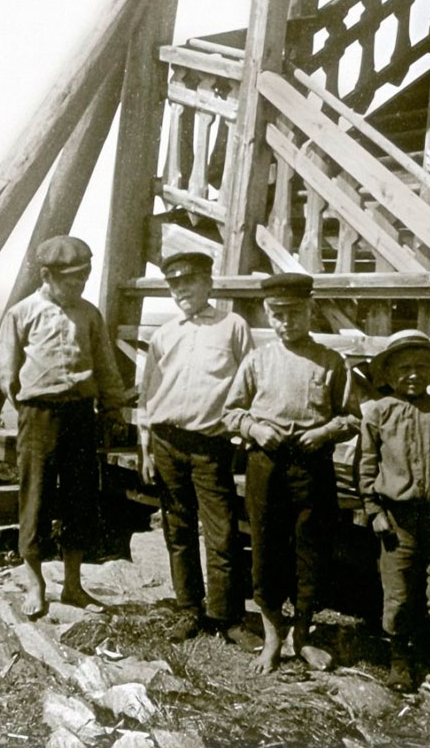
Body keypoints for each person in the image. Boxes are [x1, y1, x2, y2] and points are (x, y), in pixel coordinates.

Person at [223, 273, 361, 674]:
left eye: (295, 313)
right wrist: (255, 428)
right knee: (266, 549)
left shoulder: (332, 361)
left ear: (310, 311)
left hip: (312, 464)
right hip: (265, 464)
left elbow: (352, 416)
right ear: (268, 314)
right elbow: (231, 412)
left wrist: (325, 431)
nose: (287, 322)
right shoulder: (257, 360)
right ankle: (272, 638)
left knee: (310, 549)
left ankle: (302, 637)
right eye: (278, 315)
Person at [0, 235, 125, 618]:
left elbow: (105, 363)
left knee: (80, 498)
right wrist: (28, 404)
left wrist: (113, 405)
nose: (79, 286)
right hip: (39, 417)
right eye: (71, 279)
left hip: (82, 415)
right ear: (47, 275)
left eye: (84, 278)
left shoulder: (89, 314)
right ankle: (36, 586)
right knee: (35, 498)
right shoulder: (22, 313)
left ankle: (72, 585)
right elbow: (6, 369)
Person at [139, 251, 257, 646]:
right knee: (178, 528)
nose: (181, 290)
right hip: (167, 440)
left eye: (188, 281)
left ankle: (226, 617)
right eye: (174, 284)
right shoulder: (164, 334)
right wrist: (145, 445)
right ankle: (190, 608)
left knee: (222, 532)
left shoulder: (233, 326)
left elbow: (250, 381)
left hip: (211, 445)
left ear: (209, 282)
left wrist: (239, 433)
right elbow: (148, 394)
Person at [358, 329, 430, 692]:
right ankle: (399, 659)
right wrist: (375, 511)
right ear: (390, 374)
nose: (413, 374)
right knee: (399, 595)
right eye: (404, 367)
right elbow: (365, 467)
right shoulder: (379, 413)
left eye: (422, 366)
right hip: (398, 521)